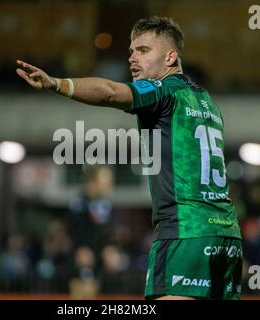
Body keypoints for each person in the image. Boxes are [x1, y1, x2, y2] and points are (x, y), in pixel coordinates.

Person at [16, 16, 242, 300]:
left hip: (185, 232)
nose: (132, 58)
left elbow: (111, 93)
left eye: (143, 50)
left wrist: (57, 83)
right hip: (227, 235)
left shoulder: (165, 90)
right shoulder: (208, 101)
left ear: (171, 56)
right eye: (131, 51)